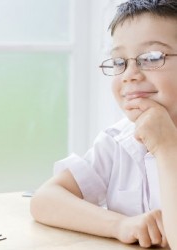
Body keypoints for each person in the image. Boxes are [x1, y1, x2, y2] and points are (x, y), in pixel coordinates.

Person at [30, 0, 177, 248]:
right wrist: (119, 225)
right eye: (120, 62)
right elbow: (44, 199)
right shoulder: (118, 140)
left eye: (151, 57)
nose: (130, 73)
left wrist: (167, 147)